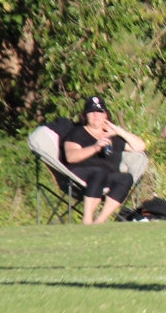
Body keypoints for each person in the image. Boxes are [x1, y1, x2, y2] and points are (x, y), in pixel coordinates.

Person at [62, 95, 148, 225]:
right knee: (99, 172)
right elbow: (71, 156)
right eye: (92, 112)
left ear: (106, 115)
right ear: (85, 115)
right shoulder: (77, 132)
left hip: (108, 176)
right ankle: (87, 219)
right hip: (81, 174)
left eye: (99, 112)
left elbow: (140, 146)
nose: (96, 115)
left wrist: (119, 131)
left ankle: (100, 220)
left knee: (126, 178)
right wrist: (95, 147)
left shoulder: (113, 136)